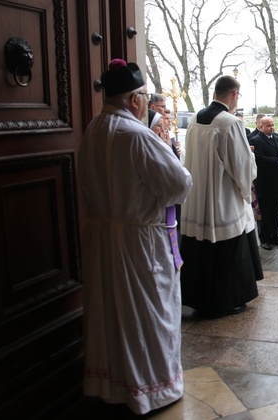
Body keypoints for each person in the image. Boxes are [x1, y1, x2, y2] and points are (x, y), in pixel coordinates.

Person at [78, 59, 193, 414]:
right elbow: (178, 185)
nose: (145, 102)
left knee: (112, 316)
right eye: (143, 96)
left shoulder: (93, 129)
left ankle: (114, 385)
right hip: (139, 244)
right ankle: (151, 390)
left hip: (103, 239)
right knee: (146, 316)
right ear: (134, 100)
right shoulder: (136, 136)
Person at [180, 75, 262, 317]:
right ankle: (227, 300)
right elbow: (242, 166)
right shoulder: (229, 122)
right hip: (222, 201)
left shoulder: (195, 119)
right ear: (234, 94)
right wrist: (251, 162)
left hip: (197, 200)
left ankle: (198, 298)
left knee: (199, 248)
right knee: (228, 248)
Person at [250, 115, 278, 249]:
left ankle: (275, 235)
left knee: (276, 211)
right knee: (266, 212)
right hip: (266, 182)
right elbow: (259, 159)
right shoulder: (256, 140)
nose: (271, 128)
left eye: (272, 125)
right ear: (260, 126)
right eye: (268, 126)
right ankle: (264, 238)